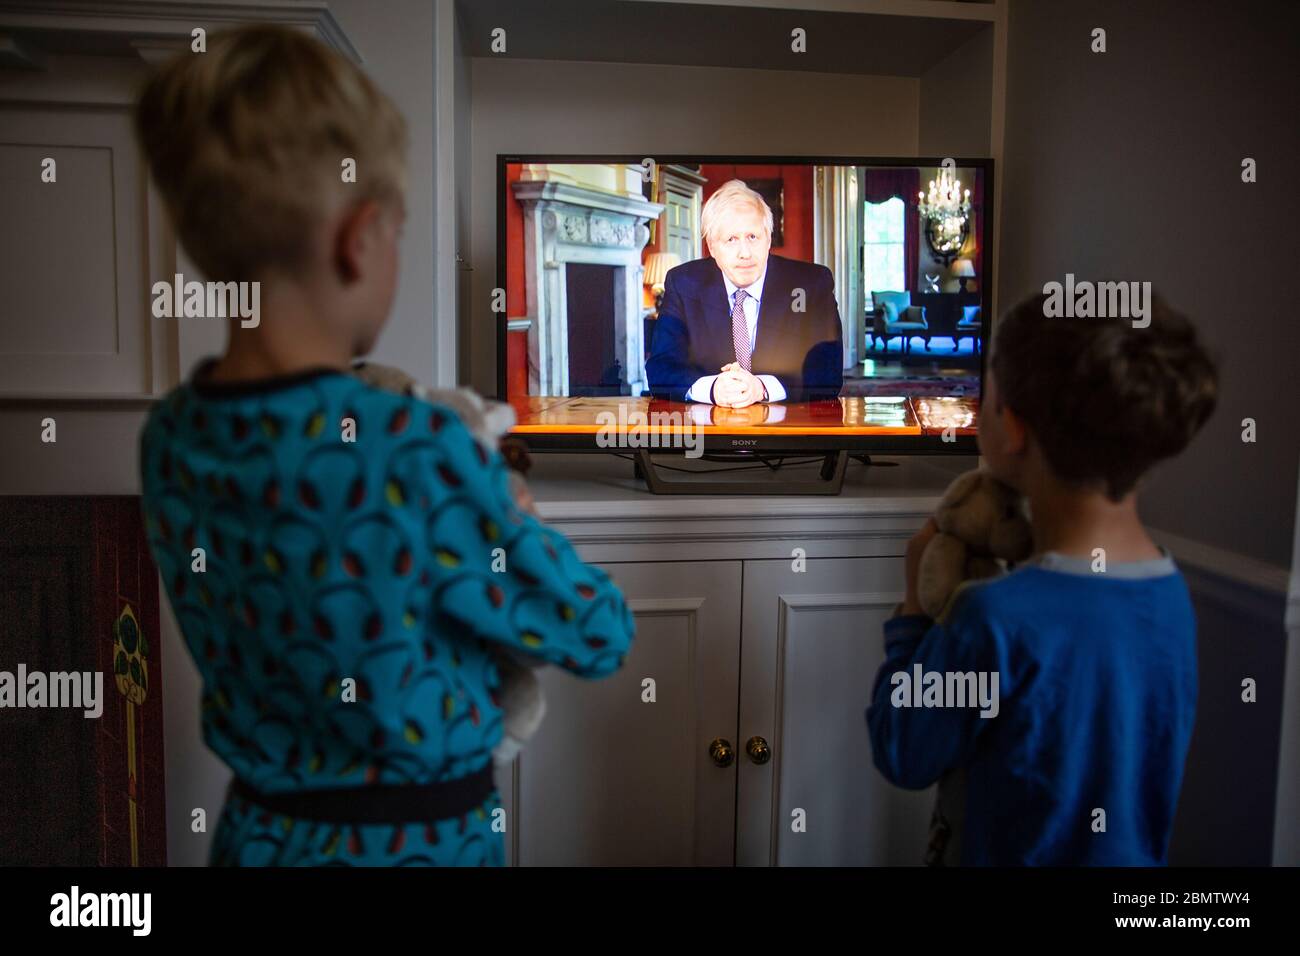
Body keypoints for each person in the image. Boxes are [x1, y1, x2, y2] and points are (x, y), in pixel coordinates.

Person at [134, 25, 634, 866]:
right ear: (357, 236)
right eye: (399, 231)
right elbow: (596, 631)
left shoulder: (173, 436)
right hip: (417, 845)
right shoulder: (414, 445)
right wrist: (512, 512)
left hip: (256, 837)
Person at [866, 291, 1218, 865]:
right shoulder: (1170, 595)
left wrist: (912, 611)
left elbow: (903, 749)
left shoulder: (991, 617)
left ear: (1012, 426)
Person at [645, 180, 844, 406]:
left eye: (753, 237)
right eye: (731, 240)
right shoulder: (683, 283)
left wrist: (761, 388)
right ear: (712, 247)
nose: (745, 253)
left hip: (787, 431)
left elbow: (828, 375)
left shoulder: (811, 284)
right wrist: (712, 389)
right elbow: (661, 369)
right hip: (710, 433)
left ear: (768, 238)